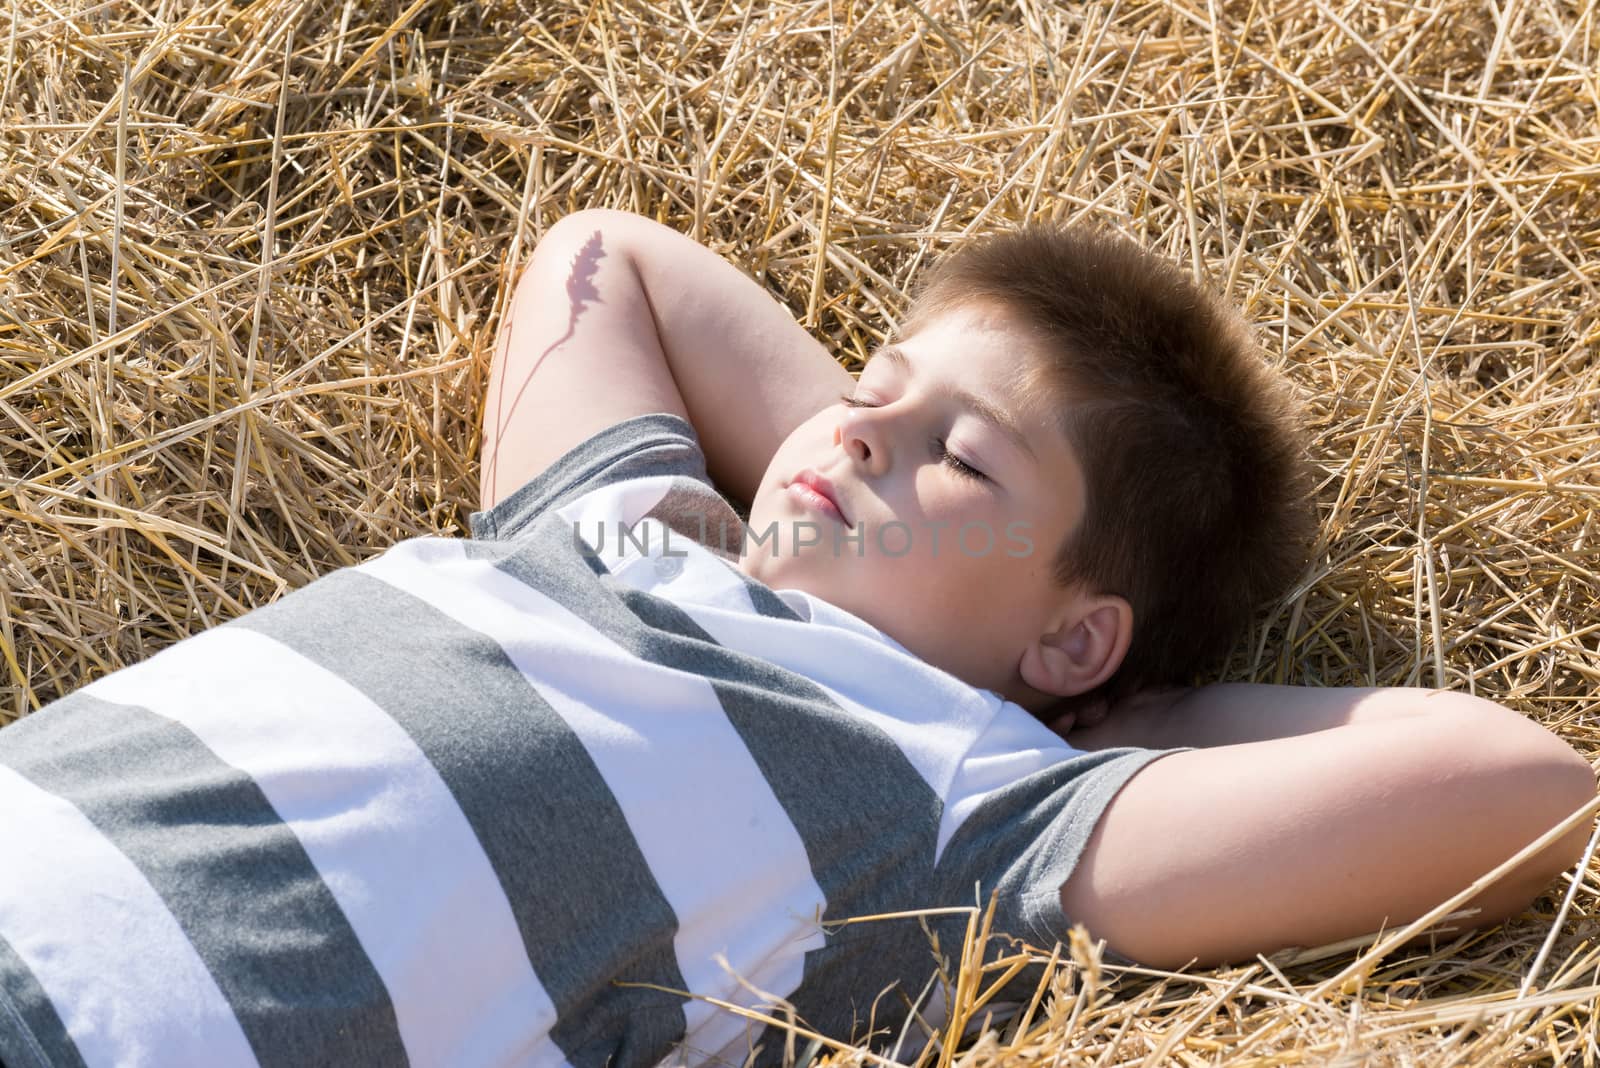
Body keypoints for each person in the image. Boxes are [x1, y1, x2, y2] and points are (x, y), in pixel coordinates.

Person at [0, 208, 1592, 1068]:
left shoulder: (952, 803)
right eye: (866, 390)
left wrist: (1078, 716)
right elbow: (606, 258)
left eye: (961, 459)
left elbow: (1520, 785)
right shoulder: (628, 532)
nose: (862, 431)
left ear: (1077, 640)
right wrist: (873, 476)